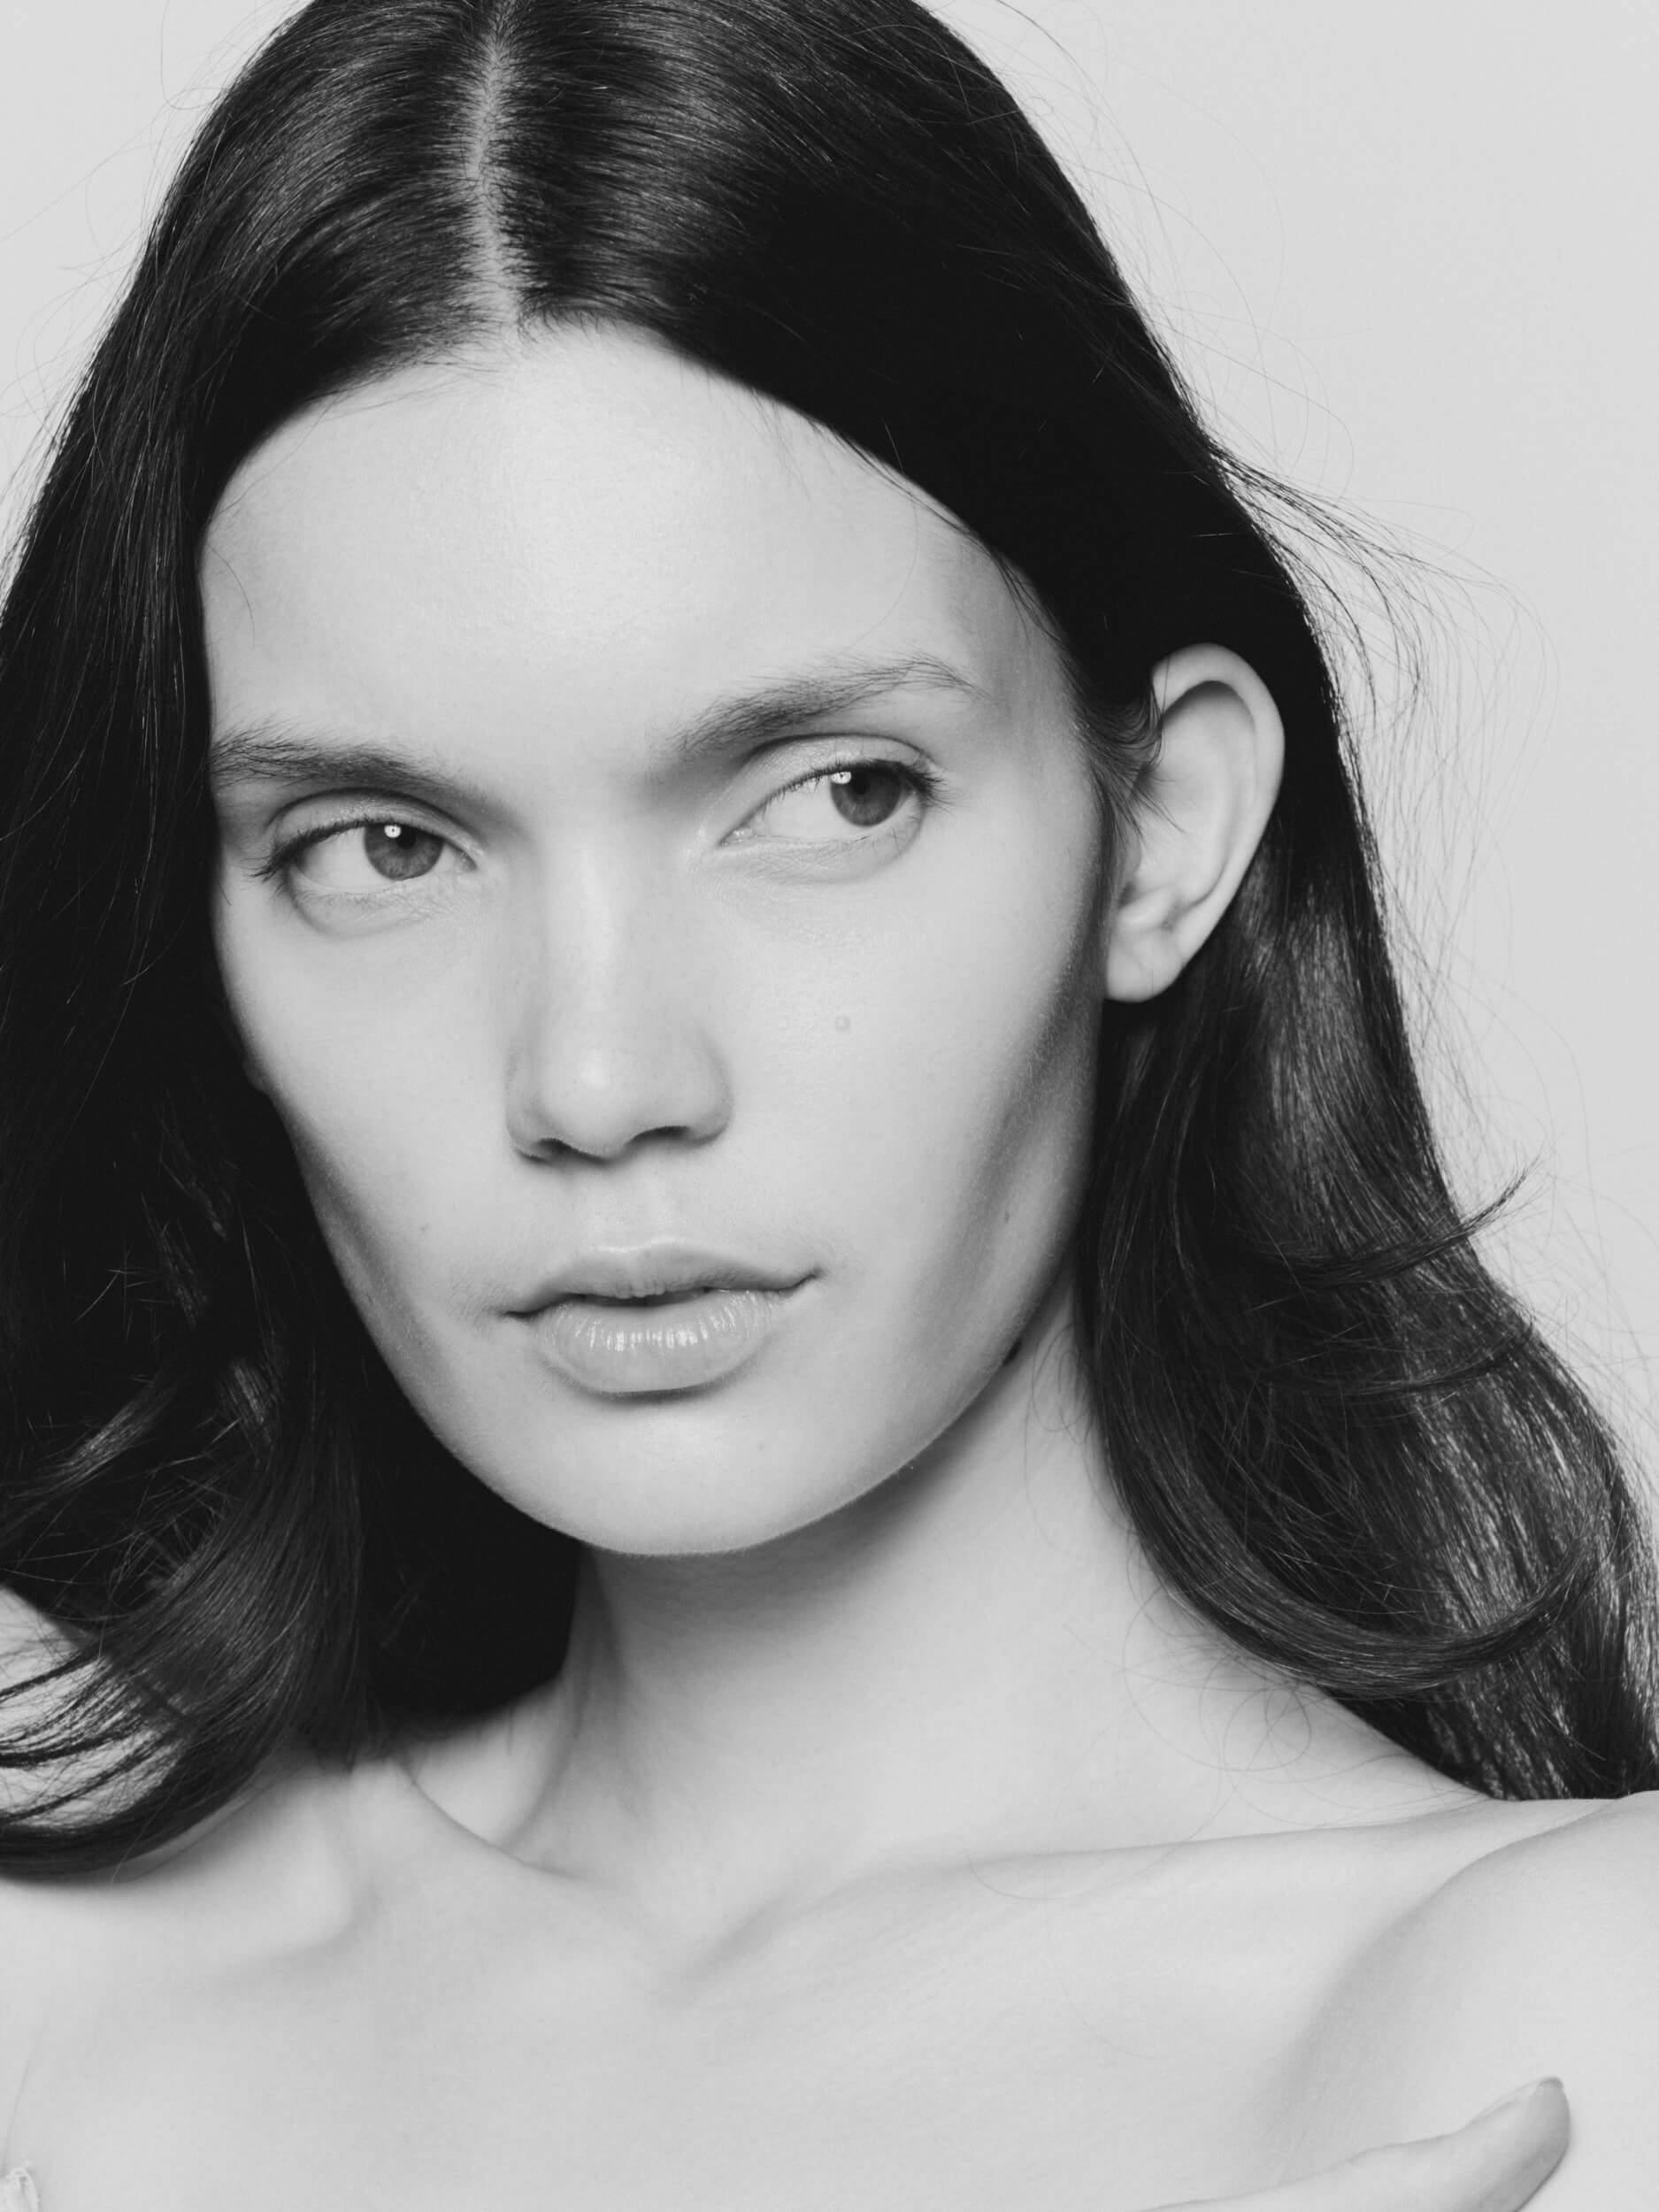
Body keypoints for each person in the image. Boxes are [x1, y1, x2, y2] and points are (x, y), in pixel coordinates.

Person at [0, 0, 1653, 2203]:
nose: (596, 1079)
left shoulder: (1553, 2012)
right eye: (383, 846)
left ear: (1156, 825)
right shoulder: (59, 1960)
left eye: (825, 795)